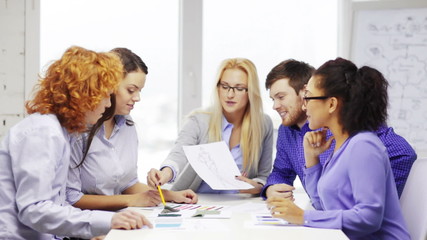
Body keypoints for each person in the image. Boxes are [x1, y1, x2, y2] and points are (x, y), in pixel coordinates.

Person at [0, 46, 151, 240]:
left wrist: (91, 233)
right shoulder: (43, 132)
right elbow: (34, 210)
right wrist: (107, 222)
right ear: (85, 95)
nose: (107, 104)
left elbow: (57, 205)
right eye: (106, 95)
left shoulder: (61, 132)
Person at [267, 57, 410, 239]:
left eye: (308, 98)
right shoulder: (340, 146)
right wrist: (312, 160)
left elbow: (369, 218)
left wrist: (303, 216)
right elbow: (322, 206)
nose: (305, 105)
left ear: (332, 104)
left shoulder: (363, 146)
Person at [66, 47, 198, 211]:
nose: (137, 98)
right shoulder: (78, 130)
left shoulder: (126, 124)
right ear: (109, 86)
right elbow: (71, 198)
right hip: (86, 226)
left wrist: (171, 195)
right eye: (131, 90)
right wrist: (131, 200)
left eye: (139, 91)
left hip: (120, 218)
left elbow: (128, 184)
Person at [147, 58, 273, 195]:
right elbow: (179, 155)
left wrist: (255, 186)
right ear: (217, 88)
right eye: (225, 86)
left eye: (239, 88)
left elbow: (264, 176)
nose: (230, 94)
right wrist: (164, 174)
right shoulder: (197, 121)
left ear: (251, 92)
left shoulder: (263, 124)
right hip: (196, 202)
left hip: (239, 206)